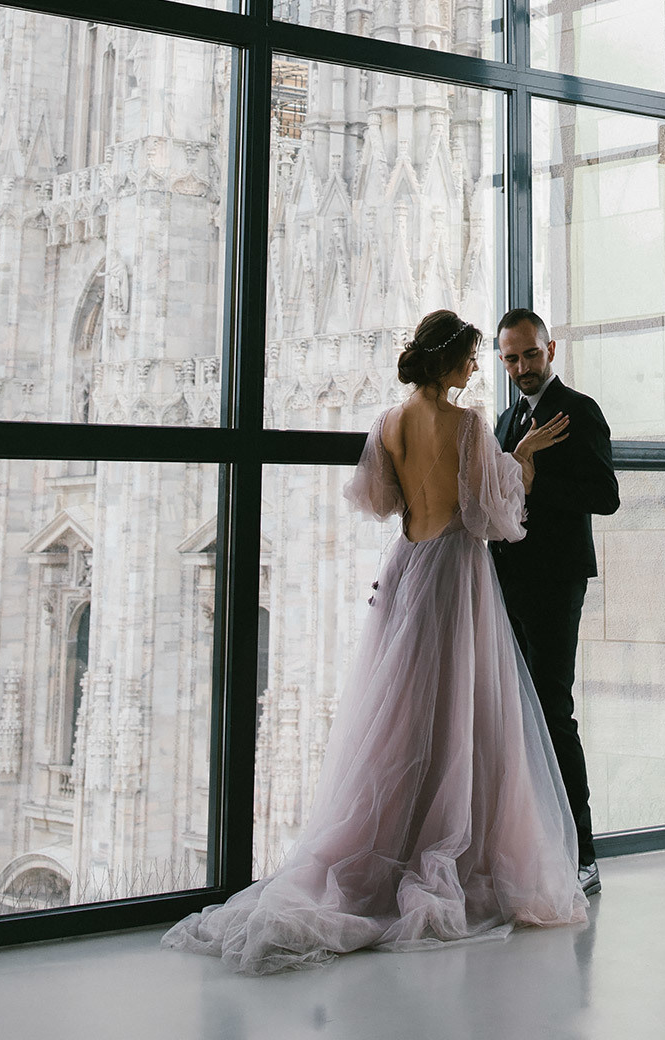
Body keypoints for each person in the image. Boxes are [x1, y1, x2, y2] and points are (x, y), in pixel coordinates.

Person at [164, 311, 587, 974]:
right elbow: (492, 518)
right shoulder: (470, 423)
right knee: (464, 710)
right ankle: (456, 847)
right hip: (454, 573)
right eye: (473, 358)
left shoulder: (389, 423)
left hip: (407, 565)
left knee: (404, 715)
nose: (478, 369)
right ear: (449, 363)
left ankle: (390, 845)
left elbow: (382, 499)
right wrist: (523, 462)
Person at [493, 309, 620, 898]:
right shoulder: (504, 421)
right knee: (518, 716)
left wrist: (537, 480)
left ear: (551, 350)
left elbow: (606, 496)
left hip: (556, 580)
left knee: (553, 713)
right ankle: (532, 846)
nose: (521, 367)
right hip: (506, 582)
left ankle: (582, 854)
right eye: (510, 358)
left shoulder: (581, 411)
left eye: (529, 354)